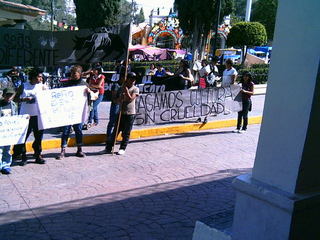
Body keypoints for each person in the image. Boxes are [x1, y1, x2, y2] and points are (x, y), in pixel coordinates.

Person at [56, 65, 88, 160]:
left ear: (80, 74)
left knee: (78, 130)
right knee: (65, 131)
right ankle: (63, 151)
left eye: (75, 73)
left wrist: (89, 93)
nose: (73, 75)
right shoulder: (67, 84)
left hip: (78, 112)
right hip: (67, 111)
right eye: (72, 73)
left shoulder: (84, 85)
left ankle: (79, 150)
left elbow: (89, 98)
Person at [16, 68, 47, 166]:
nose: (41, 78)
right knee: (23, 137)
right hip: (26, 116)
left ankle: (38, 155)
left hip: (38, 115)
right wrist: (23, 99)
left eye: (41, 76)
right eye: (39, 76)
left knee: (38, 137)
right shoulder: (23, 86)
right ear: (33, 77)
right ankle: (23, 156)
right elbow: (16, 98)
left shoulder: (42, 87)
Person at [105, 72, 139, 155]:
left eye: (134, 80)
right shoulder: (121, 88)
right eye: (131, 79)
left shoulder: (135, 89)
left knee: (126, 132)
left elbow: (130, 99)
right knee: (115, 131)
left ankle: (122, 148)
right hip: (121, 112)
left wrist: (126, 91)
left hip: (130, 113)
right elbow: (115, 100)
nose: (132, 81)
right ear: (127, 79)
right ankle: (109, 148)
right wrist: (120, 98)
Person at [0, 88, 17, 174]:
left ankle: (6, 165)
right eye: (7, 95)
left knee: (7, 149)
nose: (9, 97)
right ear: (3, 95)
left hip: (9, 131)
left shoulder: (13, 105)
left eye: (11, 95)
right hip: (1, 131)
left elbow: (16, 117)